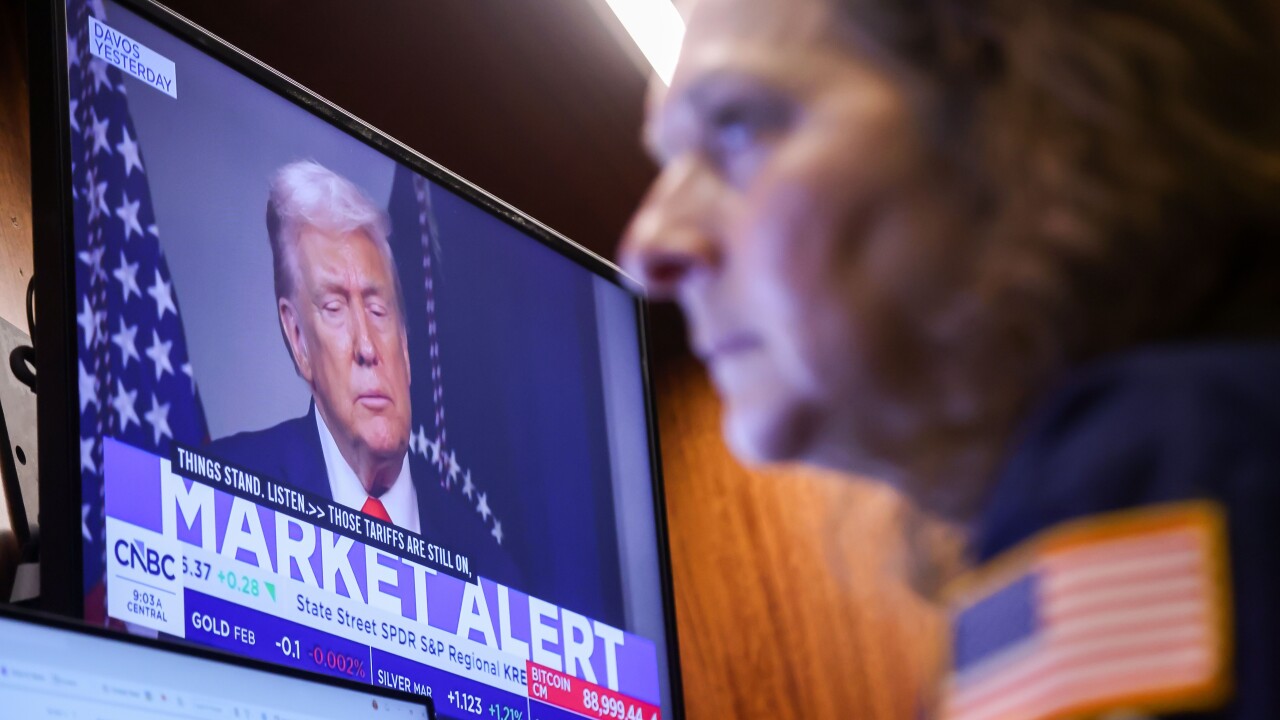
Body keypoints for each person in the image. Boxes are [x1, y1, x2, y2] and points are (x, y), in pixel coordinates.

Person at [620, 0, 1280, 717]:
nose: (648, 247)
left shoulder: (1170, 453)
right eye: (668, 160)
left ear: (1035, 119)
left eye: (738, 125)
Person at [209, 160, 516, 584]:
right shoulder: (220, 496)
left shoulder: (490, 566)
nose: (368, 347)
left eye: (378, 310)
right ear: (298, 339)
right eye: (334, 309)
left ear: (406, 346)